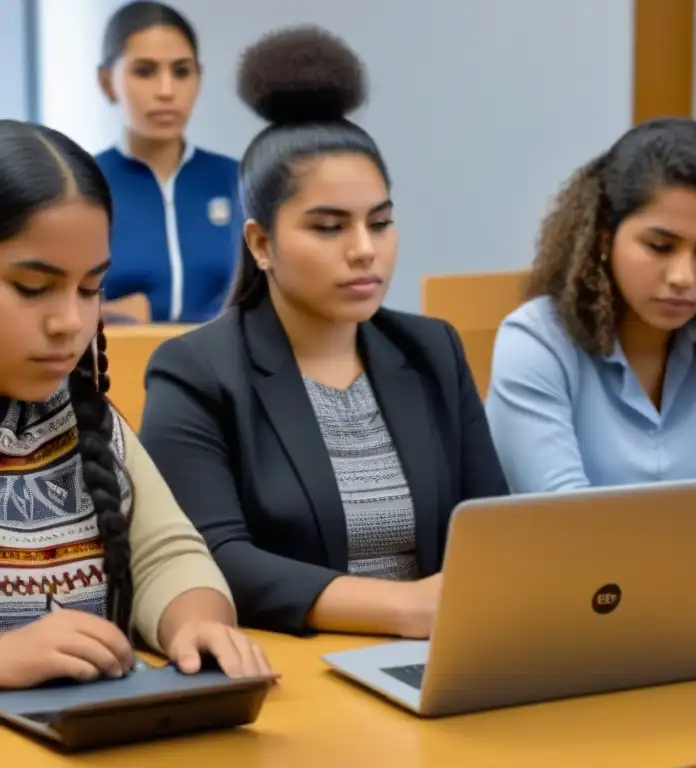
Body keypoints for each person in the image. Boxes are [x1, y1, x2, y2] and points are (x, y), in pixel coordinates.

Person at [138, 27, 508, 638]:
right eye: (329, 227)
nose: (366, 251)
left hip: (444, 655)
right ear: (261, 243)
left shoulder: (433, 349)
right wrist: (403, 608)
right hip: (299, 664)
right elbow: (210, 556)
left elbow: (493, 522)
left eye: (380, 222)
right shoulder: (194, 370)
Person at [484, 118, 696, 587]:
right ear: (604, 237)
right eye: (660, 246)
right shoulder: (535, 340)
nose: (684, 276)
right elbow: (567, 521)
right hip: (570, 607)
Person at [0, 119, 272, 689]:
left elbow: (165, 552)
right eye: (32, 287)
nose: (70, 323)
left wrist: (195, 622)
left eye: (90, 287)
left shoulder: (85, 419)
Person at [95, 1, 242, 323]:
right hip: (118, 367)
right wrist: (106, 314)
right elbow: (40, 301)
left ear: (198, 79)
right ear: (107, 82)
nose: (166, 91)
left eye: (181, 72)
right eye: (145, 71)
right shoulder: (83, 185)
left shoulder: (240, 181)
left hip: (225, 370)